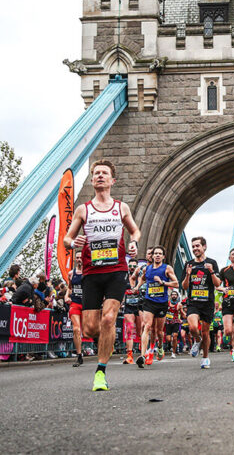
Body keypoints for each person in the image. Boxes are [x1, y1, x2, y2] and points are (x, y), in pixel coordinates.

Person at [63, 159, 140, 392]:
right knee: (89, 329)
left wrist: (134, 243)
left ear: (112, 180)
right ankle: (105, 338)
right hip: (91, 272)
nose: (99, 176)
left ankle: (100, 371)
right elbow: (67, 238)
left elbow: (134, 230)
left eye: (104, 173)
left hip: (116, 270)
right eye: (96, 173)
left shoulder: (121, 208)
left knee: (108, 318)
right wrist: (72, 242)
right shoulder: (83, 209)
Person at [134, 246, 178, 367]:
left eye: (160, 254)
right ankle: (143, 355)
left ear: (163, 256)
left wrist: (163, 282)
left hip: (162, 303)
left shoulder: (167, 268)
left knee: (158, 331)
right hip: (149, 301)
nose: (157, 255)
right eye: (155, 253)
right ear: (152, 256)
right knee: (147, 326)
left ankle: (159, 347)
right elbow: (142, 279)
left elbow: (176, 283)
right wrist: (137, 287)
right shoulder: (147, 269)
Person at [182, 236, 221, 369]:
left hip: (208, 302)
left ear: (204, 247)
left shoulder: (212, 262)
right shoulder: (189, 264)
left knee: (205, 332)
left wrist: (211, 271)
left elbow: (217, 284)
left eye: (197, 246)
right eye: (193, 246)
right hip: (193, 302)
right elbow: (185, 287)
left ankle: (205, 357)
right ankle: (197, 341)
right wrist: (187, 275)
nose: (195, 249)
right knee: (192, 327)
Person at [65, 249, 85, 367]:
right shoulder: (71, 273)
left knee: (88, 330)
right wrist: (67, 295)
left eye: (81, 257)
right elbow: (70, 288)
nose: (79, 259)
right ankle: (79, 355)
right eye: (77, 257)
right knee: (76, 329)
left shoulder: (88, 272)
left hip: (87, 305)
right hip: (75, 304)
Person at [122, 258, 142, 365]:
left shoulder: (141, 277)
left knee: (140, 331)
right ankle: (129, 356)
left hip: (139, 307)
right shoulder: (124, 277)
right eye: (130, 266)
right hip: (128, 306)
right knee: (129, 329)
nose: (132, 268)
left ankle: (142, 354)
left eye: (135, 266)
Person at [165, 290, 184, 358]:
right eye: (172, 294)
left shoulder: (179, 304)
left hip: (176, 322)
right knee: (169, 339)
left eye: (175, 295)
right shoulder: (167, 303)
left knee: (175, 336)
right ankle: (171, 345)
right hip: (168, 322)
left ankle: (173, 353)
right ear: (171, 296)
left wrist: (184, 316)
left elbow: (182, 314)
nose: (174, 296)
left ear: (177, 296)